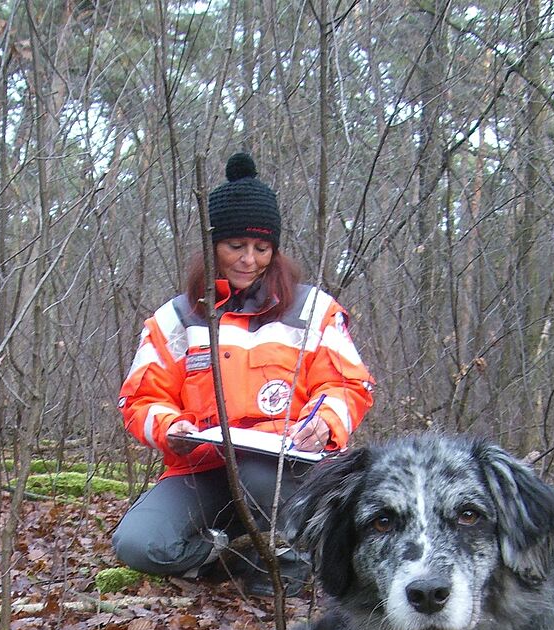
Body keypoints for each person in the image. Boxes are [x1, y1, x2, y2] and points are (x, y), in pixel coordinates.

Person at [112, 152, 374, 592]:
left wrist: (325, 423)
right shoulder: (175, 319)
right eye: (236, 246)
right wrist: (170, 428)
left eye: (261, 248)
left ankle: (299, 563)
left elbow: (348, 384)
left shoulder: (313, 309)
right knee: (140, 544)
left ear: (275, 251)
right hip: (203, 469)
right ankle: (235, 555)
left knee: (256, 473)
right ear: (213, 245)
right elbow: (140, 399)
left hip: (287, 471)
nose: (249, 260)